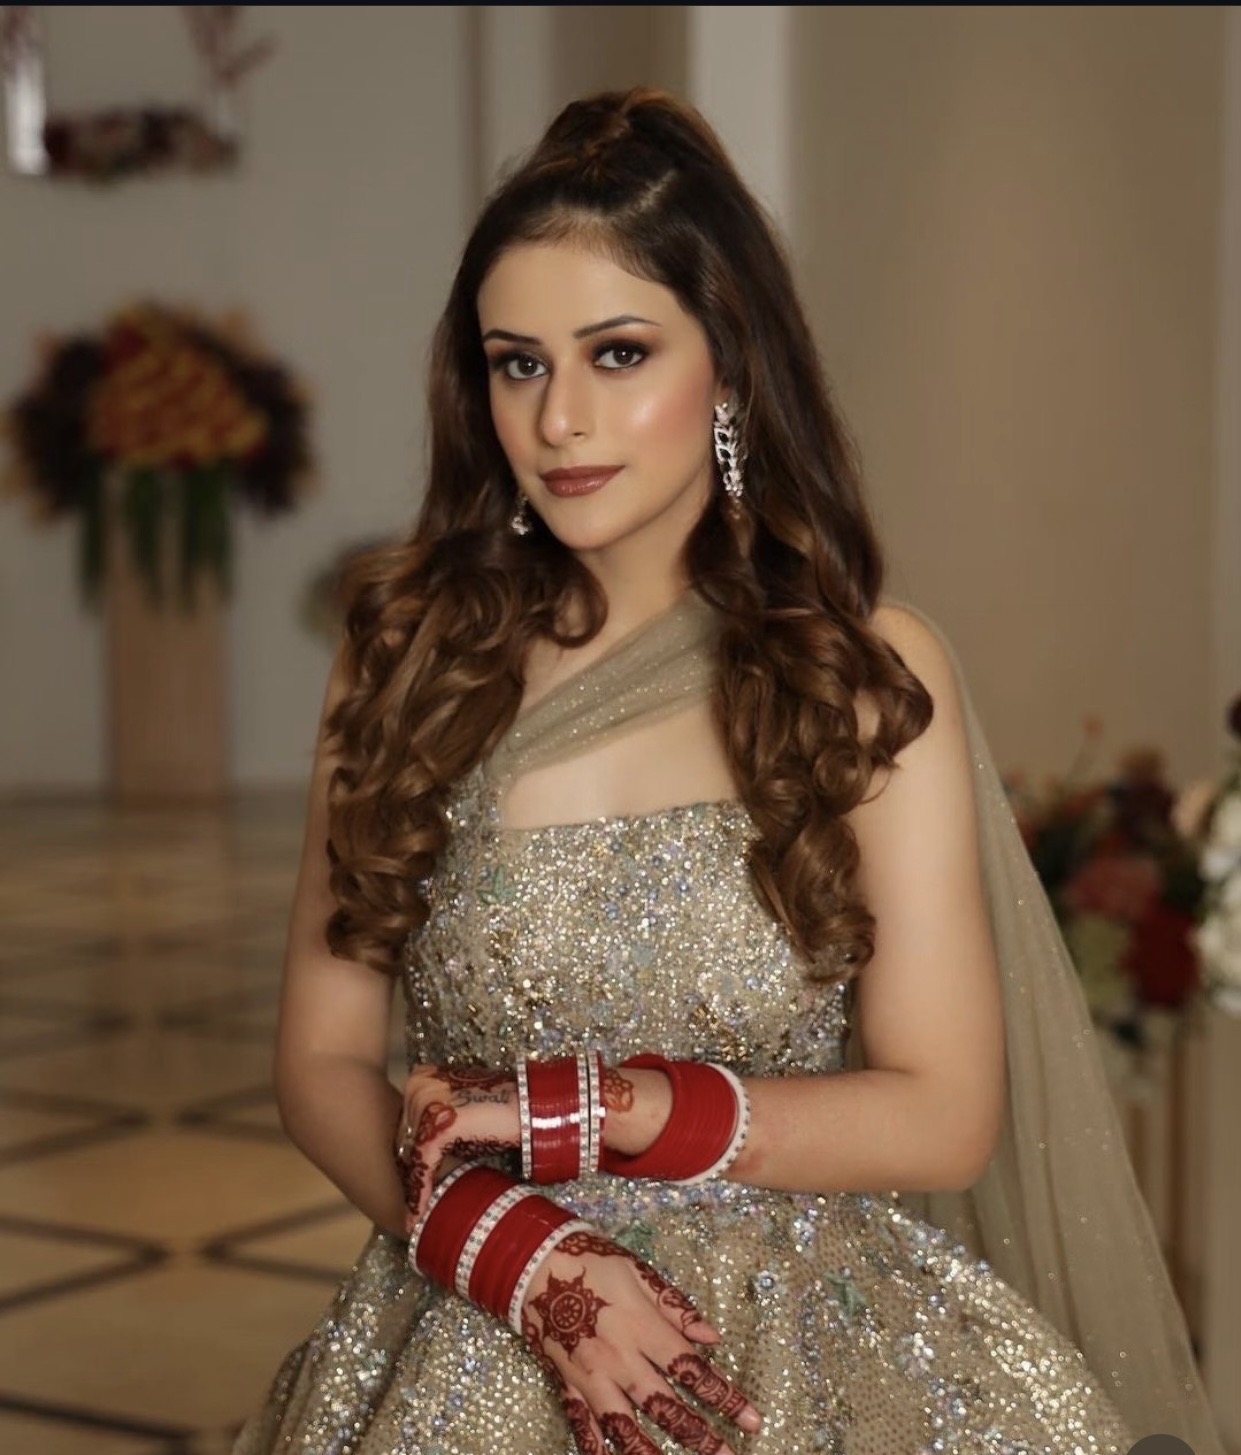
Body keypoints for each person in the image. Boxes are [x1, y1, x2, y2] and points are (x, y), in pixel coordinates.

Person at [234, 89, 1224, 1455]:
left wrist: (602, 1114)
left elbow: (942, 1115)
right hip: (474, 1329)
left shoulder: (855, 672)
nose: (560, 419)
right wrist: (523, 1258)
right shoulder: (408, 655)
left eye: (618, 353)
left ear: (732, 367)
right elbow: (322, 1059)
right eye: (517, 365)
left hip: (807, 1355)